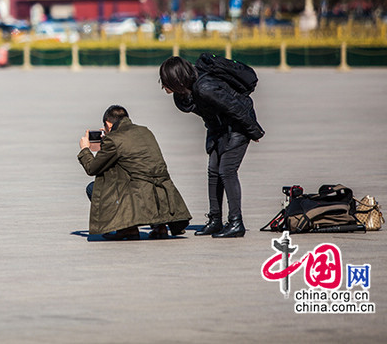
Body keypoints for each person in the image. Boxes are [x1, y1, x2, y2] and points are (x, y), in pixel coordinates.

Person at [159, 55, 264, 238]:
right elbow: (208, 114)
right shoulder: (186, 94)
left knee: (227, 170)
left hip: (239, 124)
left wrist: (253, 131)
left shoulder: (205, 87)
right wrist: (213, 138)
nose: (163, 86)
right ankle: (215, 220)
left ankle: (236, 222)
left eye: (166, 81)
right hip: (220, 127)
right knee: (213, 171)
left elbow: (235, 108)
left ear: (177, 79)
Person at [78, 105, 192, 240]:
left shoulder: (114, 140)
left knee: (93, 187)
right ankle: (159, 227)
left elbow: (92, 168)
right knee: (141, 176)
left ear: (108, 124)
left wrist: (85, 149)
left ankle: (127, 228)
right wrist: (107, 142)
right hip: (163, 195)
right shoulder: (145, 131)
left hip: (138, 195)